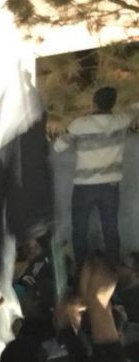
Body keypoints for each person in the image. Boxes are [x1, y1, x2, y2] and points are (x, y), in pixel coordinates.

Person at [54, 87, 139, 266]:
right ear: (113, 103)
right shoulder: (121, 120)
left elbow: (58, 146)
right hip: (110, 187)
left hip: (84, 187)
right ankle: (112, 272)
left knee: (79, 230)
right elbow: (135, 107)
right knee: (110, 229)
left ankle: (82, 271)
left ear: (94, 102)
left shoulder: (79, 124)